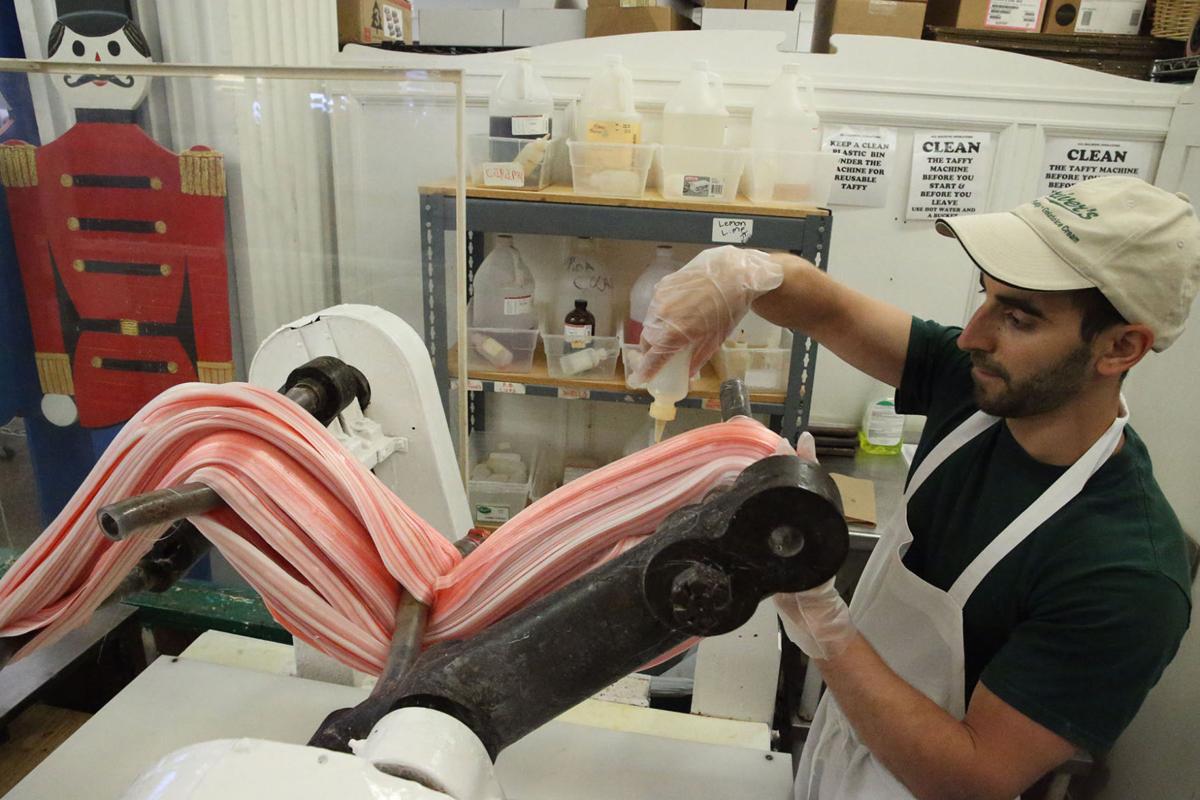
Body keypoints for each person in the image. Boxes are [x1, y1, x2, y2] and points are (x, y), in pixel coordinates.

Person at [629, 176, 1198, 799]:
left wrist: (827, 627)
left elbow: (972, 777)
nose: (970, 337)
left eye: (1017, 317)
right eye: (985, 298)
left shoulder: (1126, 572)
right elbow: (828, 309)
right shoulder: (978, 389)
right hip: (843, 750)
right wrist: (745, 272)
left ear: (1120, 347)